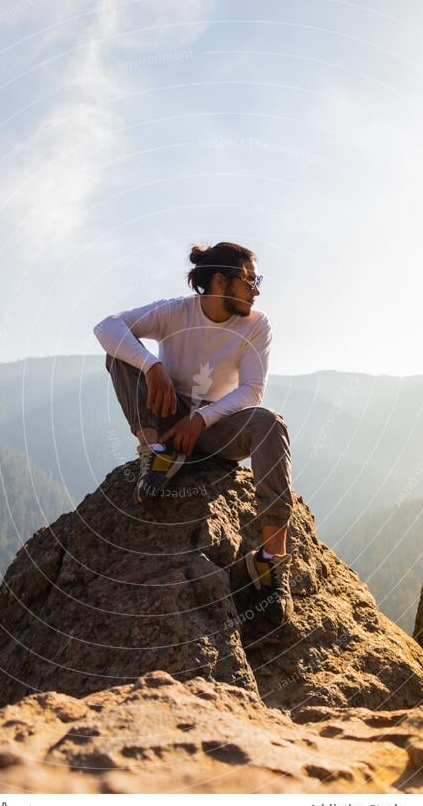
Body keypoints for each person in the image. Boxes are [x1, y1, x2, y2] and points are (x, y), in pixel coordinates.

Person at [93, 241, 293, 625]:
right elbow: (106, 327)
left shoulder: (257, 325)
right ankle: (155, 455)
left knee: (270, 424)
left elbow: (252, 390)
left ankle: (269, 565)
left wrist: (201, 420)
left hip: (216, 430)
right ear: (221, 280)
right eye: (250, 280)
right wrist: (151, 365)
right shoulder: (176, 312)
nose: (257, 289)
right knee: (118, 353)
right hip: (167, 419)